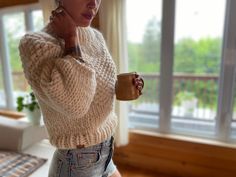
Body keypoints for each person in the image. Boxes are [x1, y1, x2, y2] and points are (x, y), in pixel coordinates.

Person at [18, 0, 144, 176]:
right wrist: (71, 38)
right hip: (76, 163)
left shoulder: (95, 37)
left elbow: (92, 86)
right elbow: (75, 103)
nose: (94, 3)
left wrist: (121, 87)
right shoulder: (35, 44)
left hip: (106, 152)